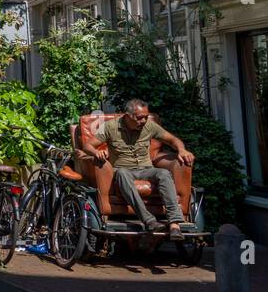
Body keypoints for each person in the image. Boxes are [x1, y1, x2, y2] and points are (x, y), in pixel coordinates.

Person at [79, 98, 194, 236]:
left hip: (147, 169)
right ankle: (149, 221)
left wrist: (182, 150)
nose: (144, 121)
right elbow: (87, 146)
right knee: (122, 173)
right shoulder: (110, 127)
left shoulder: (149, 126)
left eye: (146, 117)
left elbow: (173, 140)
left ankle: (174, 224)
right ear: (128, 116)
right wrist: (97, 152)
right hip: (123, 170)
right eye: (140, 118)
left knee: (163, 173)